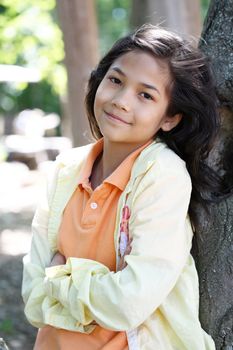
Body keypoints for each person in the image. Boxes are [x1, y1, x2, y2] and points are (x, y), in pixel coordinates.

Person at [22, 24, 220, 349]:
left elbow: (128, 304)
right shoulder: (65, 170)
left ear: (170, 117)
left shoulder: (163, 175)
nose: (121, 100)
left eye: (145, 95)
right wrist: (95, 289)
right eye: (115, 80)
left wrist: (59, 277)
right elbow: (32, 298)